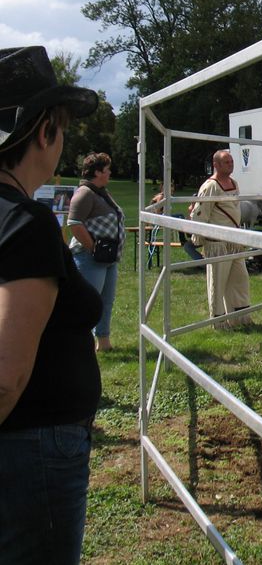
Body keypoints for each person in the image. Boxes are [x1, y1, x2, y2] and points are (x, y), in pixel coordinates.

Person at [0, 45, 102, 564]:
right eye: (61, 128)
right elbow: (5, 375)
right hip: (33, 450)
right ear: (44, 132)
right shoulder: (25, 222)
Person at [67, 152, 125, 352]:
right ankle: (80, 344)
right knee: (88, 302)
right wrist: (93, 248)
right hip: (90, 258)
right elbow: (74, 223)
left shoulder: (100, 191)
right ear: (98, 172)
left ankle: (104, 341)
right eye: (107, 169)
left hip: (107, 258)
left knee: (106, 301)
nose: (110, 173)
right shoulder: (85, 193)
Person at [189, 150, 251, 328]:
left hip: (235, 242)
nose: (230, 164)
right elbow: (201, 214)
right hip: (217, 243)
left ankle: (240, 318)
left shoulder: (234, 183)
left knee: (240, 280)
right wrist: (199, 239)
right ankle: (219, 322)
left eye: (231, 161)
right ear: (215, 165)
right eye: (226, 162)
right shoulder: (210, 186)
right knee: (217, 282)